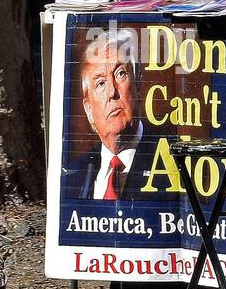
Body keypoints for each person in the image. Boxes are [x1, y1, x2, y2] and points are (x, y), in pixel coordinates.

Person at [63, 28, 164, 201]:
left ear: (138, 86)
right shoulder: (72, 177)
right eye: (101, 83)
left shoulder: (168, 163)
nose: (112, 92)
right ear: (88, 110)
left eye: (120, 74)